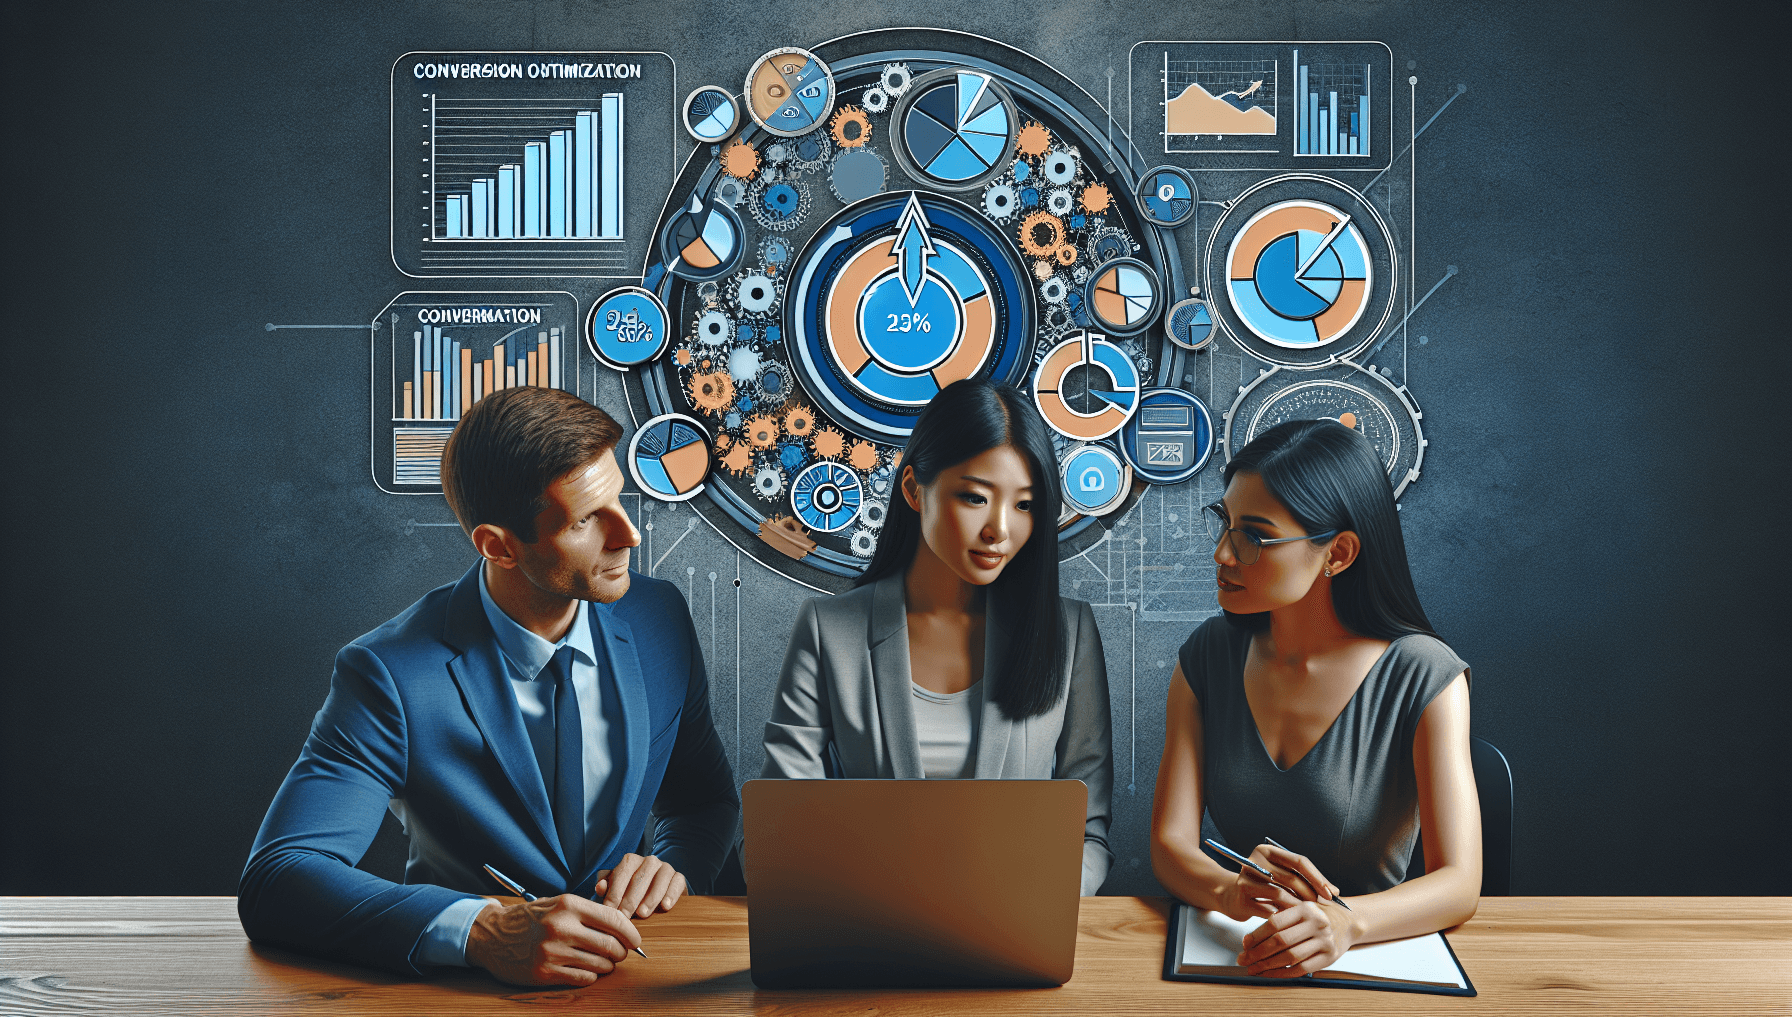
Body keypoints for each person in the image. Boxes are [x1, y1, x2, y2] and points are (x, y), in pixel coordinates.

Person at [239, 387, 739, 986]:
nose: (629, 535)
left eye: (619, 500)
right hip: (468, 997)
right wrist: (481, 931)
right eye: (586, 519)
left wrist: (672, 866)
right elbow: (281, 875)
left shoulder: (658, 618)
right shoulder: (388, 674)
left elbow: (703, 803)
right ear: (498, 546)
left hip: (638, 985)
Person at [1150, 419, 1479, 977]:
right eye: (1224, 524)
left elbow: (1460, 883)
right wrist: (1230, 892)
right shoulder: (1208, 655)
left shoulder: (1425, 674)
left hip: (1376, 969)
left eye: (1254, 535)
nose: (1223, 555)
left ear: (1340, 554)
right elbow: (1169, 843)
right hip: (1242, 961)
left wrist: (1347, 923)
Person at [760, 378, 1114, 895]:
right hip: (870, 922)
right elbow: (783, 822)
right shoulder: (828, 629)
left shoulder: (1071, 633)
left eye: (1024, 505)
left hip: (1015, 926)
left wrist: (1041, 899)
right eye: (975, 497)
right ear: (912, 490)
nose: (999, 529)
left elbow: (1089, 832)